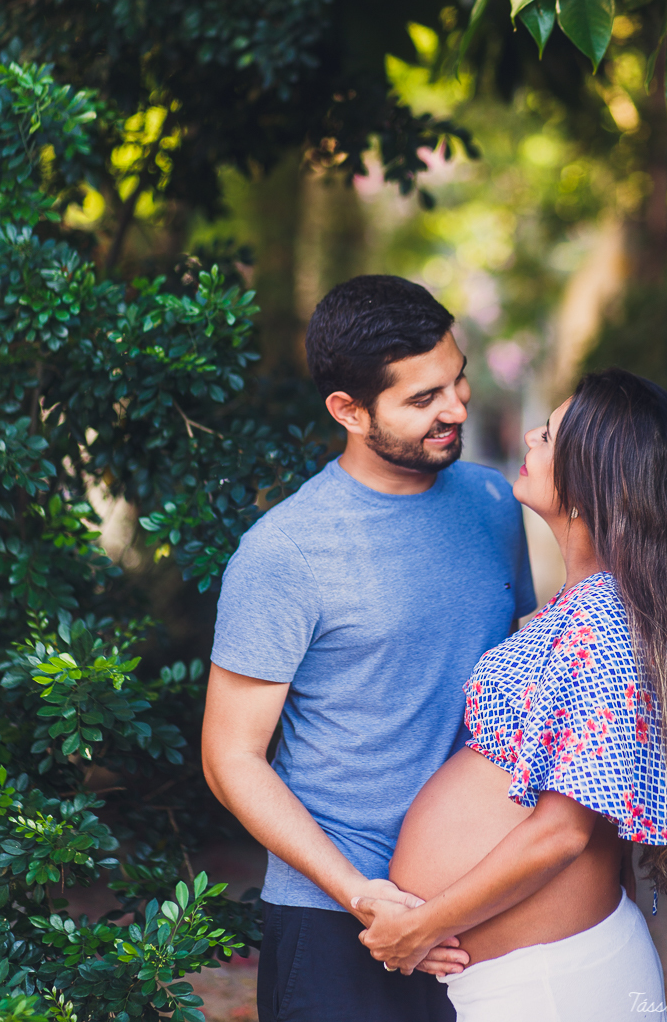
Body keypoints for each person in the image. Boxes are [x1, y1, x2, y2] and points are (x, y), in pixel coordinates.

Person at [353, 368, 667, 1022]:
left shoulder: (602, 624)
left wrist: (418, 929)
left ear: (594, 485)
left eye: (549, 435)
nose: (531, 438)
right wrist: (628, 788)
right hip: (544, 979)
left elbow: (561, 835)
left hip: (550, 986)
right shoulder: (607, 605)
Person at [201, 275, 537, 1022]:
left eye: (457, 380)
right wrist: (363, 894)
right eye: (422, 399)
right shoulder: (284, 553)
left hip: (481, 902)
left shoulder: (492, 506)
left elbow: (527, 682)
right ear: (348, 411)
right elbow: (231, 758)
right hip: (336, 920)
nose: (454, 409)